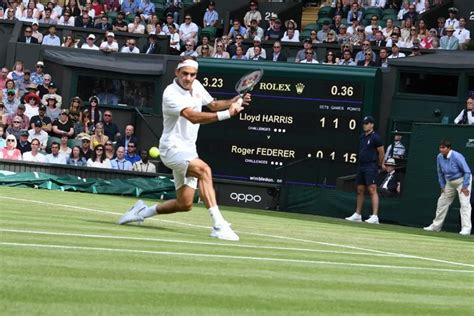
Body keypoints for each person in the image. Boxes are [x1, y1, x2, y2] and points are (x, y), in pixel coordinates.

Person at [118, 56, 252, 241]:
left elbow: (212, 104)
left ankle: (141, 211)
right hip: (171, 149)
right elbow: (193, 116)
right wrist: (228, 113)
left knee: (185, 203)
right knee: (204, 170)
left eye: (192, 75)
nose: (188, 78)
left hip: (189, 150)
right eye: (185, 74)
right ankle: (219, 225)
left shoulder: (196, 85)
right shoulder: (170, 93)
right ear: (177, 73)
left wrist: (234, 100)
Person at [424, 140, 471, 236]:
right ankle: (436, 226)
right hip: (449, 182)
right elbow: (440, 172)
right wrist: (442, 185)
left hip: (462, 181)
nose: (441, 150)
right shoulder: (439, 157)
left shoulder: (457, 156)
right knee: (442, 202)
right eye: (440, 147)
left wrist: (465, 186)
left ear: (449, 148)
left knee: (464, 204)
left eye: (443, 148)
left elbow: (467, 172)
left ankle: (466, 229)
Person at [346, 116, 385, 224]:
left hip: (371, 166)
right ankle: (358, 214)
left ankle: (375, 216)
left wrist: (379, 165)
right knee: (360, 190)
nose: (365, 125)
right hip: (361, 166)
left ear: (372, 125)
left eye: (367, 123)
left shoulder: (376, 137)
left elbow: (381, 152)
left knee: (372, 189)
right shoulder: (362, 137)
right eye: (364, 123)